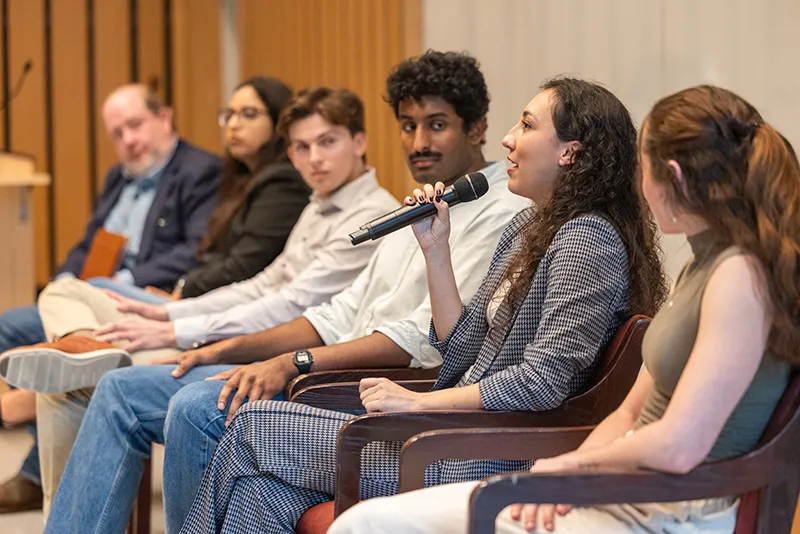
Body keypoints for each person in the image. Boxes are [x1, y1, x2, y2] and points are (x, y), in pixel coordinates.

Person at [39, 50, 529, 534]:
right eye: (407, 125)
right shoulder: (420, 205)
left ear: (477, 128)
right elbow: (336, 312)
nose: (419, 141)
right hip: (328, 368)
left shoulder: (497, 211)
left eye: (436, 125)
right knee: (120, 386)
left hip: (374, 388)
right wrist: (226, 347)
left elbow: (426, 339)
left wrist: (293, 362)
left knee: (192, 405)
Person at [177, 76, 668, 534]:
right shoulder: (529, 229)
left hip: (486, 449)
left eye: (526, 125)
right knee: (264, 495)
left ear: (569, 153)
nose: (508, 140)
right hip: (452, 429)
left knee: (251, 427)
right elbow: (461, 345)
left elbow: (542, 382)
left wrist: (420, 402)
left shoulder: (587, 240)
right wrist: (436, 249)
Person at [327, 85, 800, 534]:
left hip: (666, 506)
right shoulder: (704, 264)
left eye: (642, 166)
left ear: (671, 176)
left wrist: (573, 468)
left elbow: (678, 446)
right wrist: (565, 475)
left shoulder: (741, 275)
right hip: (625, 488)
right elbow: (628, 414)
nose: (636, 181)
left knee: (365, 523)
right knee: (356, 520)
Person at [2, 86, 399, 520]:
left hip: (295, 361)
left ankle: (82, 360)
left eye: (328, 142)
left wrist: (175, 327)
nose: (315, 158)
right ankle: (83, 350)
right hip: (251, 334)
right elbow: (261, 283)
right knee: (85, 324)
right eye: (302, 147)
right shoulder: (318, 204)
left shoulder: (371, 216)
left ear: (359, 142)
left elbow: (290, 304)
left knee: (103, 385)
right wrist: (170, 314)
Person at [0, 83, 221, 514]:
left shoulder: (199, 170)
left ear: (165, 118)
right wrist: (64, 279)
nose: (128, 141)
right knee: (11, 327)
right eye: (117, 134)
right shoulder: (118, 177)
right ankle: (77, 352)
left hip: (145, 294)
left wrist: (118, 280)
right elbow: (88, 244)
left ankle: (36, 469)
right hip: (95, 292)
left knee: (64, 373)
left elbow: (194, 249)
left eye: (135, 126)